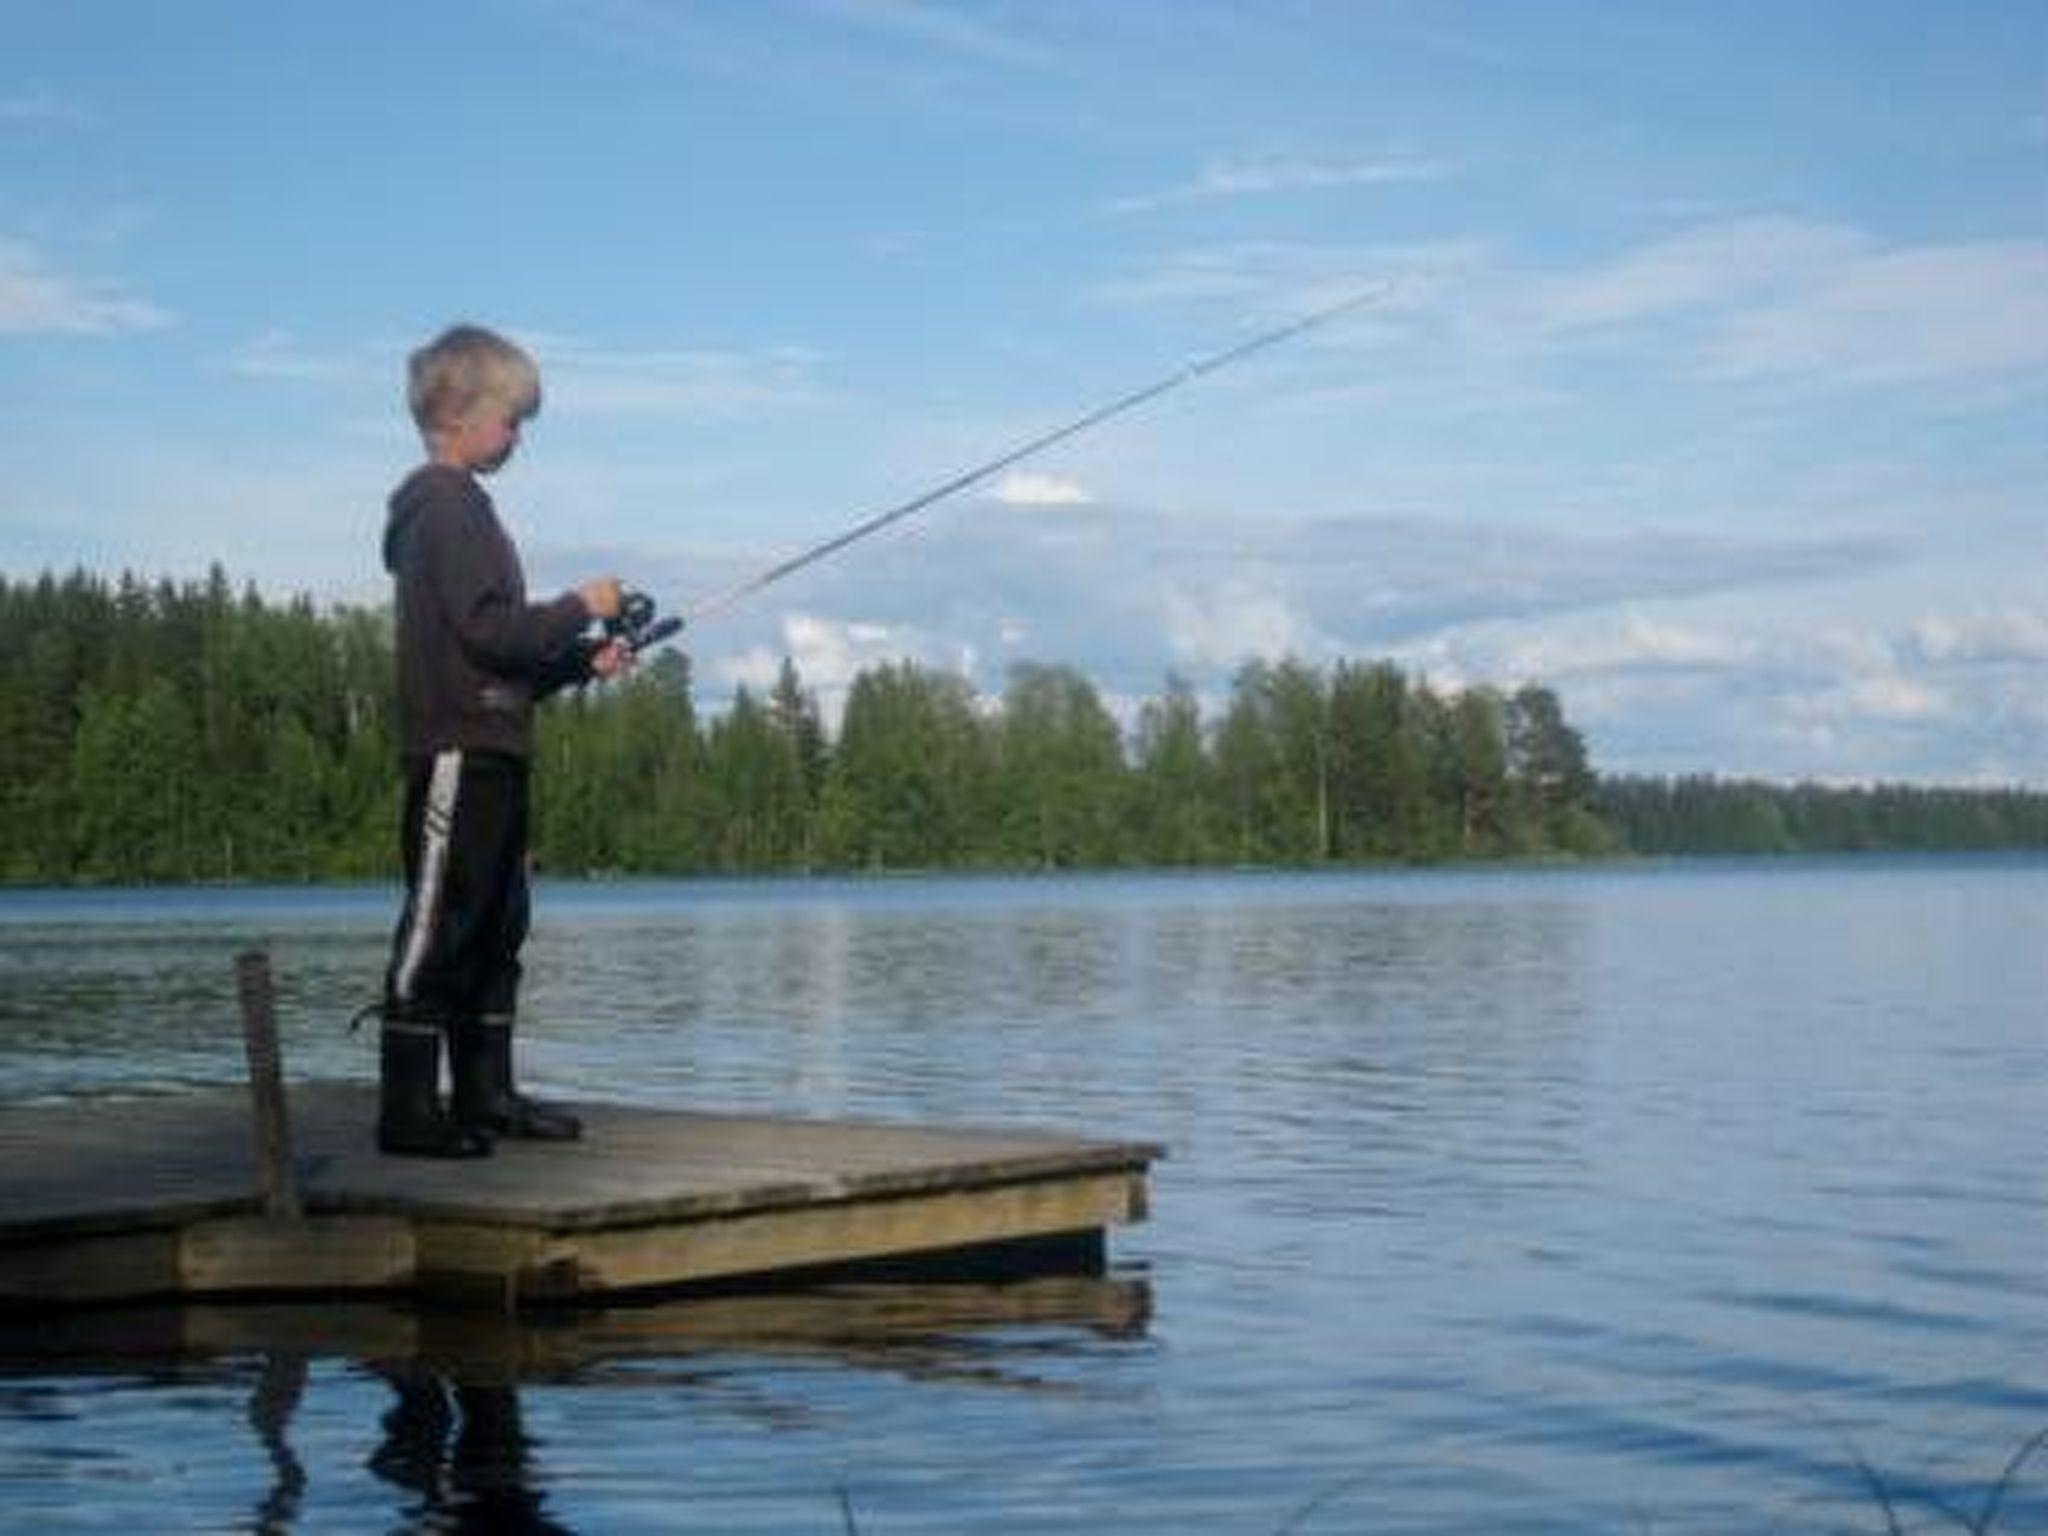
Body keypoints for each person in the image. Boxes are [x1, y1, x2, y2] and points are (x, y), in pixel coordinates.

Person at [375, 323, 630, 1158]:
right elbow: (488, 632)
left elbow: (506, 663)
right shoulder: (442, 508)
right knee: (441, 926)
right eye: (510, 418)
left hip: (497, 746)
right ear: (455, 412)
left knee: (496, 927)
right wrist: (577, 606)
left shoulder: (470, 512)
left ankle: (487, 1098)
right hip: (456, 752)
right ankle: (409, 1112)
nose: (518, 435)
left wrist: (579, 663)